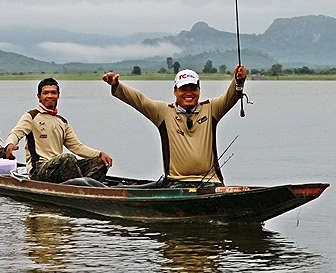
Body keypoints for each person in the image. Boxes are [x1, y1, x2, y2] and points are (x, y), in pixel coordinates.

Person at [101, 65, 248, 187]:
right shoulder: (164, 112)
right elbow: (140, 101)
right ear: (175, 91)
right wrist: (116, 85)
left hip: (210, 182)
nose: (188, 93)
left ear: (199, 90)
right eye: (183, 89)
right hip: (176, 183)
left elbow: (231, 96)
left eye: (193, 88)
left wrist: (239, 80)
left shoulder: (211, 109)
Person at [5, 77, 113, 183]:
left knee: (100, 162)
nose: (50, 96)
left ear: (58, 95)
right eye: (46, 93)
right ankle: (78, 187)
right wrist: (10, 145)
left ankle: (86, 187)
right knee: (67, 158)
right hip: (39, 170)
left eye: (53, 93)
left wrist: (99, 154)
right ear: (39, 96)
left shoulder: (62, 121)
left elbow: (77, 147)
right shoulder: (31, 116)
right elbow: (16, 133)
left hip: (59, 167)